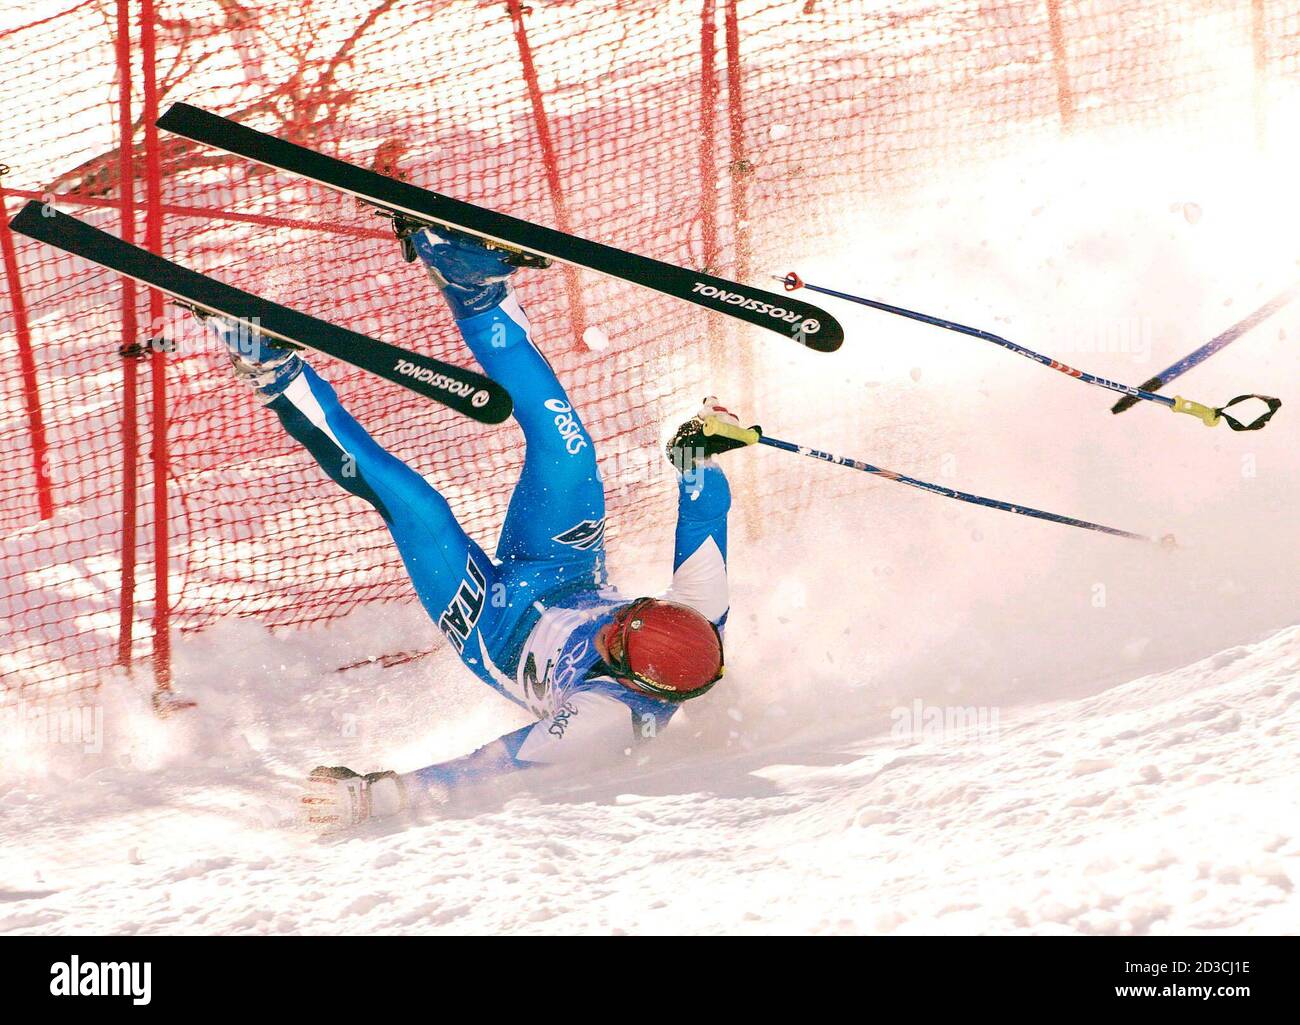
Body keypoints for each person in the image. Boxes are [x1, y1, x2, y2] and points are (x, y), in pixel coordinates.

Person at [209, 225, 758, 830]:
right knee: (568, 450)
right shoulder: (698, 618)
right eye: (628, 611)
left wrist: (374, 796)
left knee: (415, 506)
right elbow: (705, 518)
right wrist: (694, 456)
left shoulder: (603, 718)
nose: (612, 621)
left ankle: (275, 373)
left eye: (614, 637)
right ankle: (479, 294)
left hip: (494, 628)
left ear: (628, 677)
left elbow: (490, 767)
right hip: (565, 570)